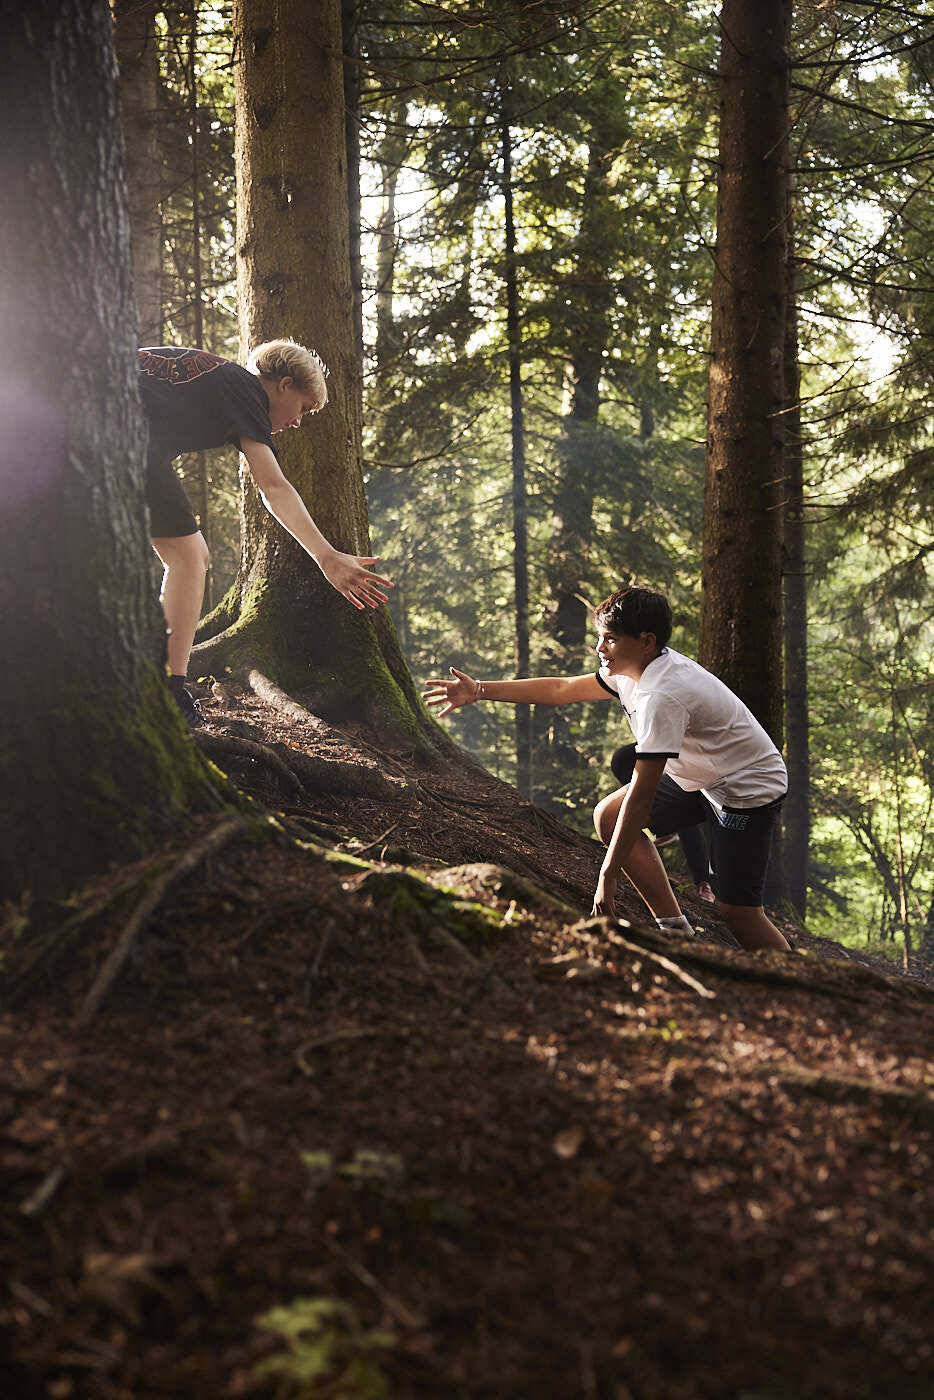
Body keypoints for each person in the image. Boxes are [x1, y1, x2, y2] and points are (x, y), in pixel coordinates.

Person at [422, 585, 790, 953]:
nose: (599, 649)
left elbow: (643, 796)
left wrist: (607, 876)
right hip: (699, 774)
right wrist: (480, 690)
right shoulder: (631, 670)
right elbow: (562, 689)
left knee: (738, 912)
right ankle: (676, 933)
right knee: (609, 816)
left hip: (746, 789)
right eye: (600, 638)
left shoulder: (662, 694)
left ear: (646, 642)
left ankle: (810, 987)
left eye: (610, 640)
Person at [138, 340, 392, 725]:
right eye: (304, 407)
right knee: (190, 557)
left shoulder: (220, 383)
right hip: (123, 434)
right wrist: (327, 557)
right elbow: (272, 486)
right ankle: (164, 691)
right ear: (284, 385)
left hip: (82, 422)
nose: (298, 422)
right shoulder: (246, 390)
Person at [611, 742, 715, 902]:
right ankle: (662, 827)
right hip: (668, 748)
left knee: (683, 816)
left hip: (690, 752)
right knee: (621, 760)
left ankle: (703, 881)